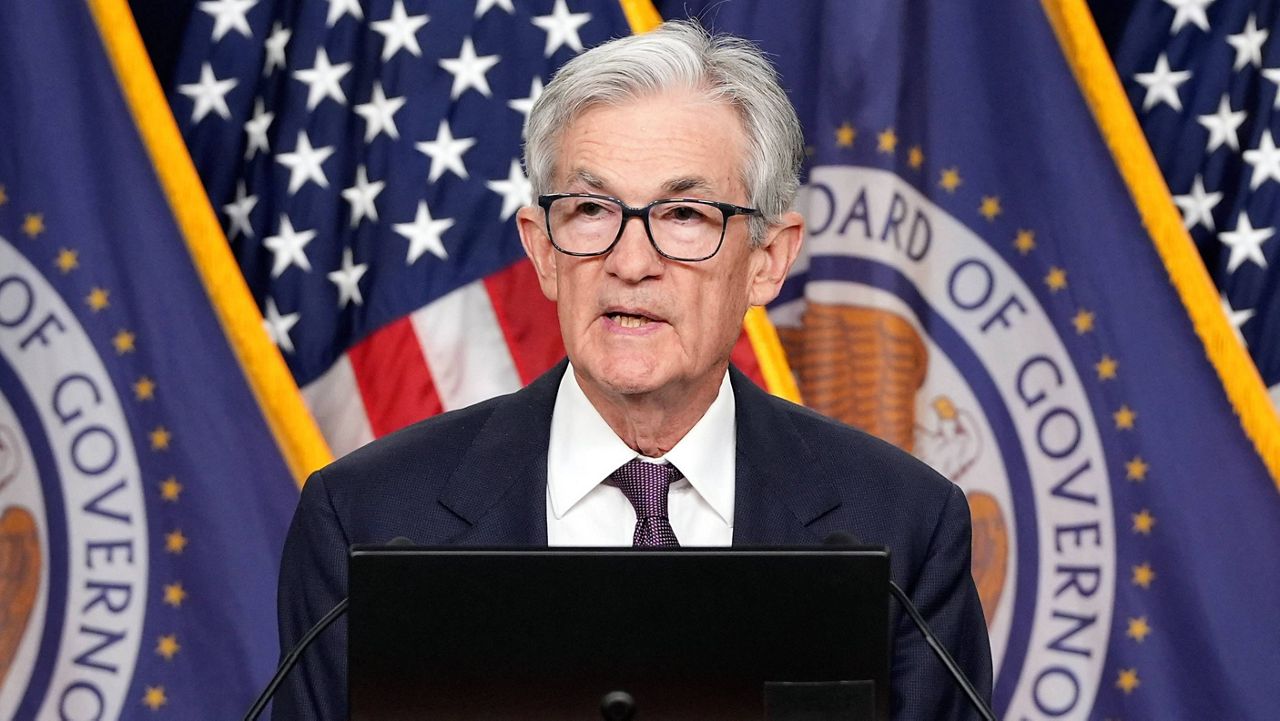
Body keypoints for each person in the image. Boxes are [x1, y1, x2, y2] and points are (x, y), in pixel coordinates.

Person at [274, 19, 991, 720]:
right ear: (544, 249)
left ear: (769, 260)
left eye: (683, 214)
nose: (630, 261)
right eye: (591, 209)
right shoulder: (367, 520)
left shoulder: (902, 527)